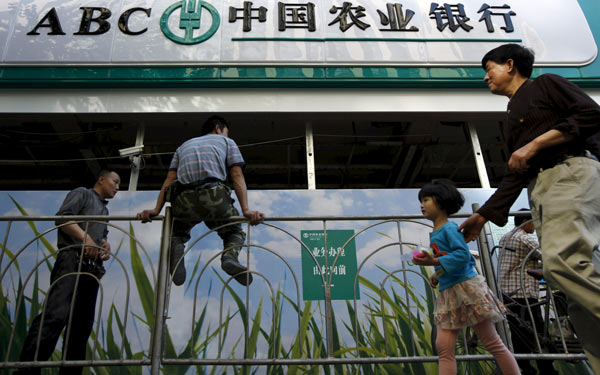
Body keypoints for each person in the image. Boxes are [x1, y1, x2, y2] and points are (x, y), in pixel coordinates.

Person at [458, 43, 600, 373]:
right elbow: (515, 174)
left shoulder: (546, 84)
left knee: (562, 262)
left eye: (488, 68)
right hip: (543, 188)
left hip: (568, 174)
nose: (485, 77)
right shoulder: (510, 116)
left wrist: (536, 143)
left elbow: (591, 113)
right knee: (576, 298)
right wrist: (482, 216)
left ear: (510, 65)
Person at [137, 115, 264, 287]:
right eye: (226, 131)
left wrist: (156, 210)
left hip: (183, 200)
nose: (226, 135)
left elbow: (169, 180)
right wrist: (246, 210)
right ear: (219, 128)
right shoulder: (227, 142)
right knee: (234, 231)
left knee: (177, 233)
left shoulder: (182, 147)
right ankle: (229, 257)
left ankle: (176, 247)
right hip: (214, 197)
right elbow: (237, 175)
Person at [15, 170, 120, 375]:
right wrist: (86, 238)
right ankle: (27, 369)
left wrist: (103, 245)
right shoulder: (82, 193)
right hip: (71, 260)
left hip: (92, 268)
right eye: (115, 182)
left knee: (81, 326)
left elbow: (98, 237)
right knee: (56, 315)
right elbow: (63, 219)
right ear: (101, 179)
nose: (118, 187)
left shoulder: (105, 211)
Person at [413, 179, 519, 375]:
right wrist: (437, 274)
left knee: (491, 342)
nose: (422, 205)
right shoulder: (438, 232)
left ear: (441, 201)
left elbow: (462, 255)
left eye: (426, 199)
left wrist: (435, 263)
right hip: (450, 292)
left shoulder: (449, 229)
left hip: (467, 291)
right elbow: (450, 258)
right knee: (444, 347)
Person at [498, 209, 558, 375]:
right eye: (534, 222)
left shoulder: (506, 236)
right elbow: (548, 257)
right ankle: (546, 368)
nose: (535, 226)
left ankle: (525, 367)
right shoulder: (524, 238)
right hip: (523, 292)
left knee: (518, 332)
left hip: (508, 291)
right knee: (539, 329)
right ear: (525, 221)